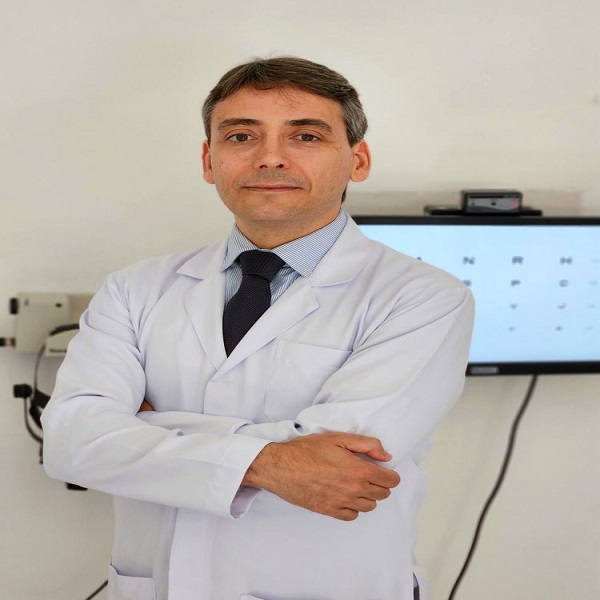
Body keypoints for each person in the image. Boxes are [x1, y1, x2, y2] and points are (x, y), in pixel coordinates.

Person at [42, 56, 474, 600]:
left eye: (306, 136)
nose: (270, 157)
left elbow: (344, 465)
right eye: (241, 136)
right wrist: (275, 461)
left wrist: (145, 428)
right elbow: (71, 442)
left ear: (358, 160)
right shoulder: (135, 288)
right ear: (209, 160)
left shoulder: (423, 297)